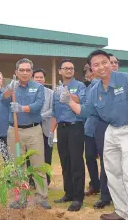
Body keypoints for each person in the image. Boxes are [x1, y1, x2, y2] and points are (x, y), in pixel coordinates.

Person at [62, 50, 128, 220]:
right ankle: (121, 211)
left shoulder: (125, 78)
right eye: (96, 65)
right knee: (112, 172)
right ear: (91, 69)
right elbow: (85, 112)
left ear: (110, 63)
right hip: (112, 129)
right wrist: (69, 101)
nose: (101, 67)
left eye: (104, 62)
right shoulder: (94, 90)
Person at [2, 58, 51, 210]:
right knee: (18, 166)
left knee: (38, 165)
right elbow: (2, 101)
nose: (24, 73)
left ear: (31, 71)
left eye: (28, 70)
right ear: (16, 72)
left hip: (34, 131)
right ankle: (20, 198)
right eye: (21, 70)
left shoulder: (38, 87)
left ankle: (41, 197)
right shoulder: (12, 87)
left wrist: (22, 108)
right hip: (14, 131)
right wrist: (10, 90)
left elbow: (38, 105)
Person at [51, 59, 86, 212]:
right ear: (60, 71)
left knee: (76, 162)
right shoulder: (56, 89)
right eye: (65, 68)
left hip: (75, 127)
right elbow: (54, 112)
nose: (69, 70)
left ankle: (78, 198)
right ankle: (69, 193)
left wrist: (69, 96)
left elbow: (84, 102)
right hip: (62, 129)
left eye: (71, 68)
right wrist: (51, 132)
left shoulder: (80, 86)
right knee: (65, 162)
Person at [93, 53, 120, 209]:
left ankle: (123, 197)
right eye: (110, 62)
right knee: (106, 162)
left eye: (114, 62)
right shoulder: (97, 86)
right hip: (103, 126)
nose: (112, 64)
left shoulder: (126, 81)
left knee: (124, 165)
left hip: (125, 128)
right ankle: (105, 196)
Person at [32, 68, 54, 186]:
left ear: (44, 79)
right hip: (32, 127)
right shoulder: (29, 92)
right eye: (37, 77)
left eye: (41, 77)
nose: (39, 79)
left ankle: (47, 180)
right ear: (33, 78)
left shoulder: (50, 93)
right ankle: (32, 180)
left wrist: (40, 116)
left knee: (47, 154)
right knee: (33, 154)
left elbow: (53, 109)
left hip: (45, 127)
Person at [82, 64, 100, 197]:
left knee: (107, 160)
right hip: (89, 130)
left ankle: (108, 188)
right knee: (89, 157)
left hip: (103, 128)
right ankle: (95, 184)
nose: (89, 76)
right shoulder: (87, 88)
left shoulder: (101, 85)